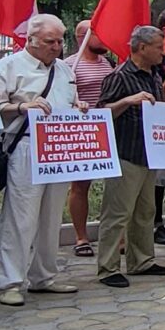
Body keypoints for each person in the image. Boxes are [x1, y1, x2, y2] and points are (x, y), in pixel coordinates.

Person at [0, 14, 81, 307]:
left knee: (51, 216)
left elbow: (69, 100)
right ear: (30, 40)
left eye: (58, 41)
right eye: (49, 41)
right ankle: (9, 282)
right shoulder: (10, 66)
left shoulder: (65, 70)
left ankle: (43, 276)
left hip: (60, 149)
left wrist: (79, 107)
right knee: (21, 217)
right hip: (25, 146)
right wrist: (20, 107)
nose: (55, 47)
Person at [95, 24, 165, 285]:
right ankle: (108, 267)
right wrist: (127, 101)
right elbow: (102, 112)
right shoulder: (119, 75)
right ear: (141, 47)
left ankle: (142, 260)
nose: (163, 52)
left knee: (145, 210)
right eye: (158, 46)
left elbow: (152, 107)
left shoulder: (154, 75)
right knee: (117, 213)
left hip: (149, 152)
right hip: (126, 152)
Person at [67, 21, 112, 256]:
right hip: (82, 133)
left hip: (108, 131)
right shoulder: (69, 65)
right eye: (100, 35)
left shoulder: (108, 64)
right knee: (80, 186)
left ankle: (114, 235)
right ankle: (81, 236)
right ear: (83, 37)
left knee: (113, 186)